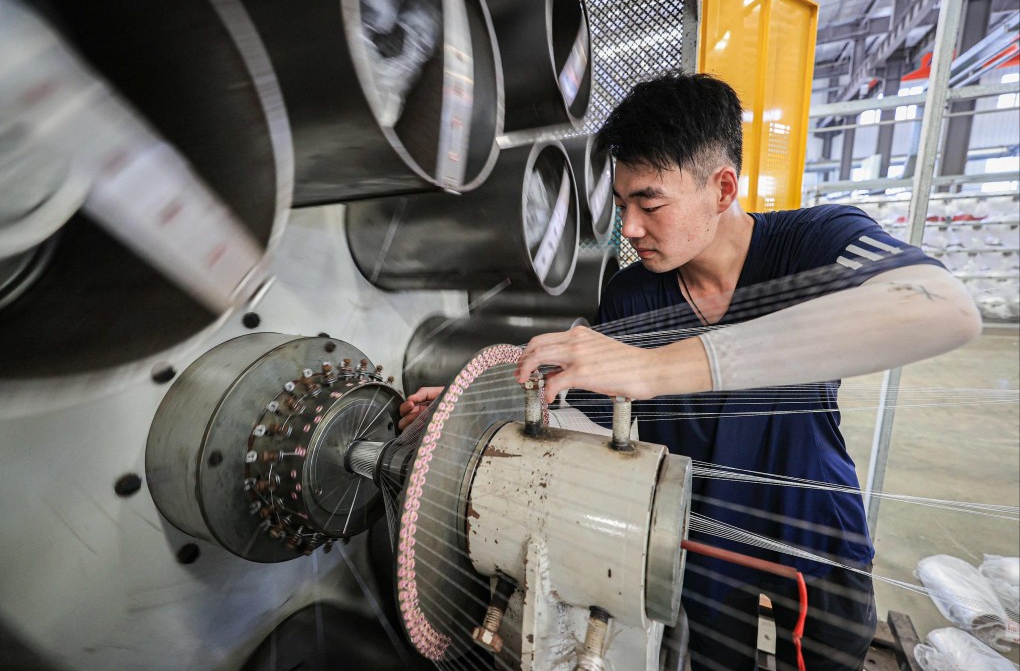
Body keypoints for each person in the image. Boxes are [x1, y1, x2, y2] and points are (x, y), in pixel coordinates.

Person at [401, 72, 981, 670]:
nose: (630, 229)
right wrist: (464, 407)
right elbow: (582, 401)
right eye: (623, 204)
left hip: (813, 532)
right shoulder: (632, 295)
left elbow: (945, 309)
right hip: (695, 537)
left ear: (722, 187)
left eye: (649, 203)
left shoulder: (816, 245)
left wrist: (657, 368)